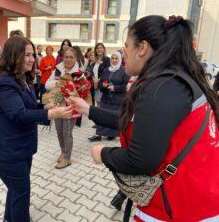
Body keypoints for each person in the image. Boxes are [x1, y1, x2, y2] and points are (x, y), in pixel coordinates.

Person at [70, 15, 219, 222]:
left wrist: (103, 153)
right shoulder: (175, 79)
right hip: (195, 198)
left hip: (179, 208)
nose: (124, 53)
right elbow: (141, 125)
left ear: (142, 48)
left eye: (126, 46)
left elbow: (141, 160)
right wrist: (89, 110)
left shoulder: (162, 87)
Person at [0, 36, 72, 222]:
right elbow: (19, 114)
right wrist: (52, 115)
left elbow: (28, 106)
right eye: (26, 55)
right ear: (14, 55)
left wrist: (44, 107)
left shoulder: (21, 78)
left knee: (17, 190)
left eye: (32, 55)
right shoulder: (5, 82)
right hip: (5, 150)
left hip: (20, 148)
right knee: (21, 191)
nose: (31, 59)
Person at [45, 47, 80, 169]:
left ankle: (67, 158)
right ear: (62, 57)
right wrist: (58, 82)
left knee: (66, 133)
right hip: (58, 106)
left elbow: (83, 92)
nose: (69, 59)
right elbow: (46, 85)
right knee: (59, 132)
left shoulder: (78, 73)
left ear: (75, 58)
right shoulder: (57, 71)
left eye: (71, 57)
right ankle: (63, 152)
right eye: (66, 57)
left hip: (71, 107)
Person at [92, 52, 129, 141]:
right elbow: (100, 83)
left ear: (120, 59)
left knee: (113, 118)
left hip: (117, 100)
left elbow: (126, 86)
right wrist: (103, 85)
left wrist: (115, 88)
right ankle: (99, 134)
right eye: (112, 58)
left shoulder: (123, 71)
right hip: (105, 98)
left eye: (116, 58)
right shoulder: (106, 70)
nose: (114, 60)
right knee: (102, 116)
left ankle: (111, 135)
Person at [88, 42, 110, 138]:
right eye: (97, 48)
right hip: (95, 85)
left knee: (103, 107)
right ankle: (100, 125)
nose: (99, 49)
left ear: (104, 49)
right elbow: (92, 71)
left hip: (102, 86)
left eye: (101, 48)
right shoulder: (95, 60)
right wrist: (94, 81)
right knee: (98, 105)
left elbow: (106, 72)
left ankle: (101, 131)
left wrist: (98, 82)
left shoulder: (107, 60)